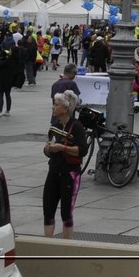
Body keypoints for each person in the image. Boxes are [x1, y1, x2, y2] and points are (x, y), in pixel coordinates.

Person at [42, 91, 88, 239]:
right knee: (48, 210)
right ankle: (47, 245)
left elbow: (82, 151)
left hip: (70, 174)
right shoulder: (54, 125)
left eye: (56, 105)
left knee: (66, 213)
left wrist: (62, 148)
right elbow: (48, 149)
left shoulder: (77, 127)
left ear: (65, 108)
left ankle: (65, 247)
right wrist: (47, 149)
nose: (53, 108)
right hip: (54, 171)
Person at [0, 43, 17, 117]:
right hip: (9, 80)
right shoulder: (12, 61)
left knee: (0, 95)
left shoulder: (4, 61)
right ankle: (7, 111)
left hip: (2, 80)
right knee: (8, 95)